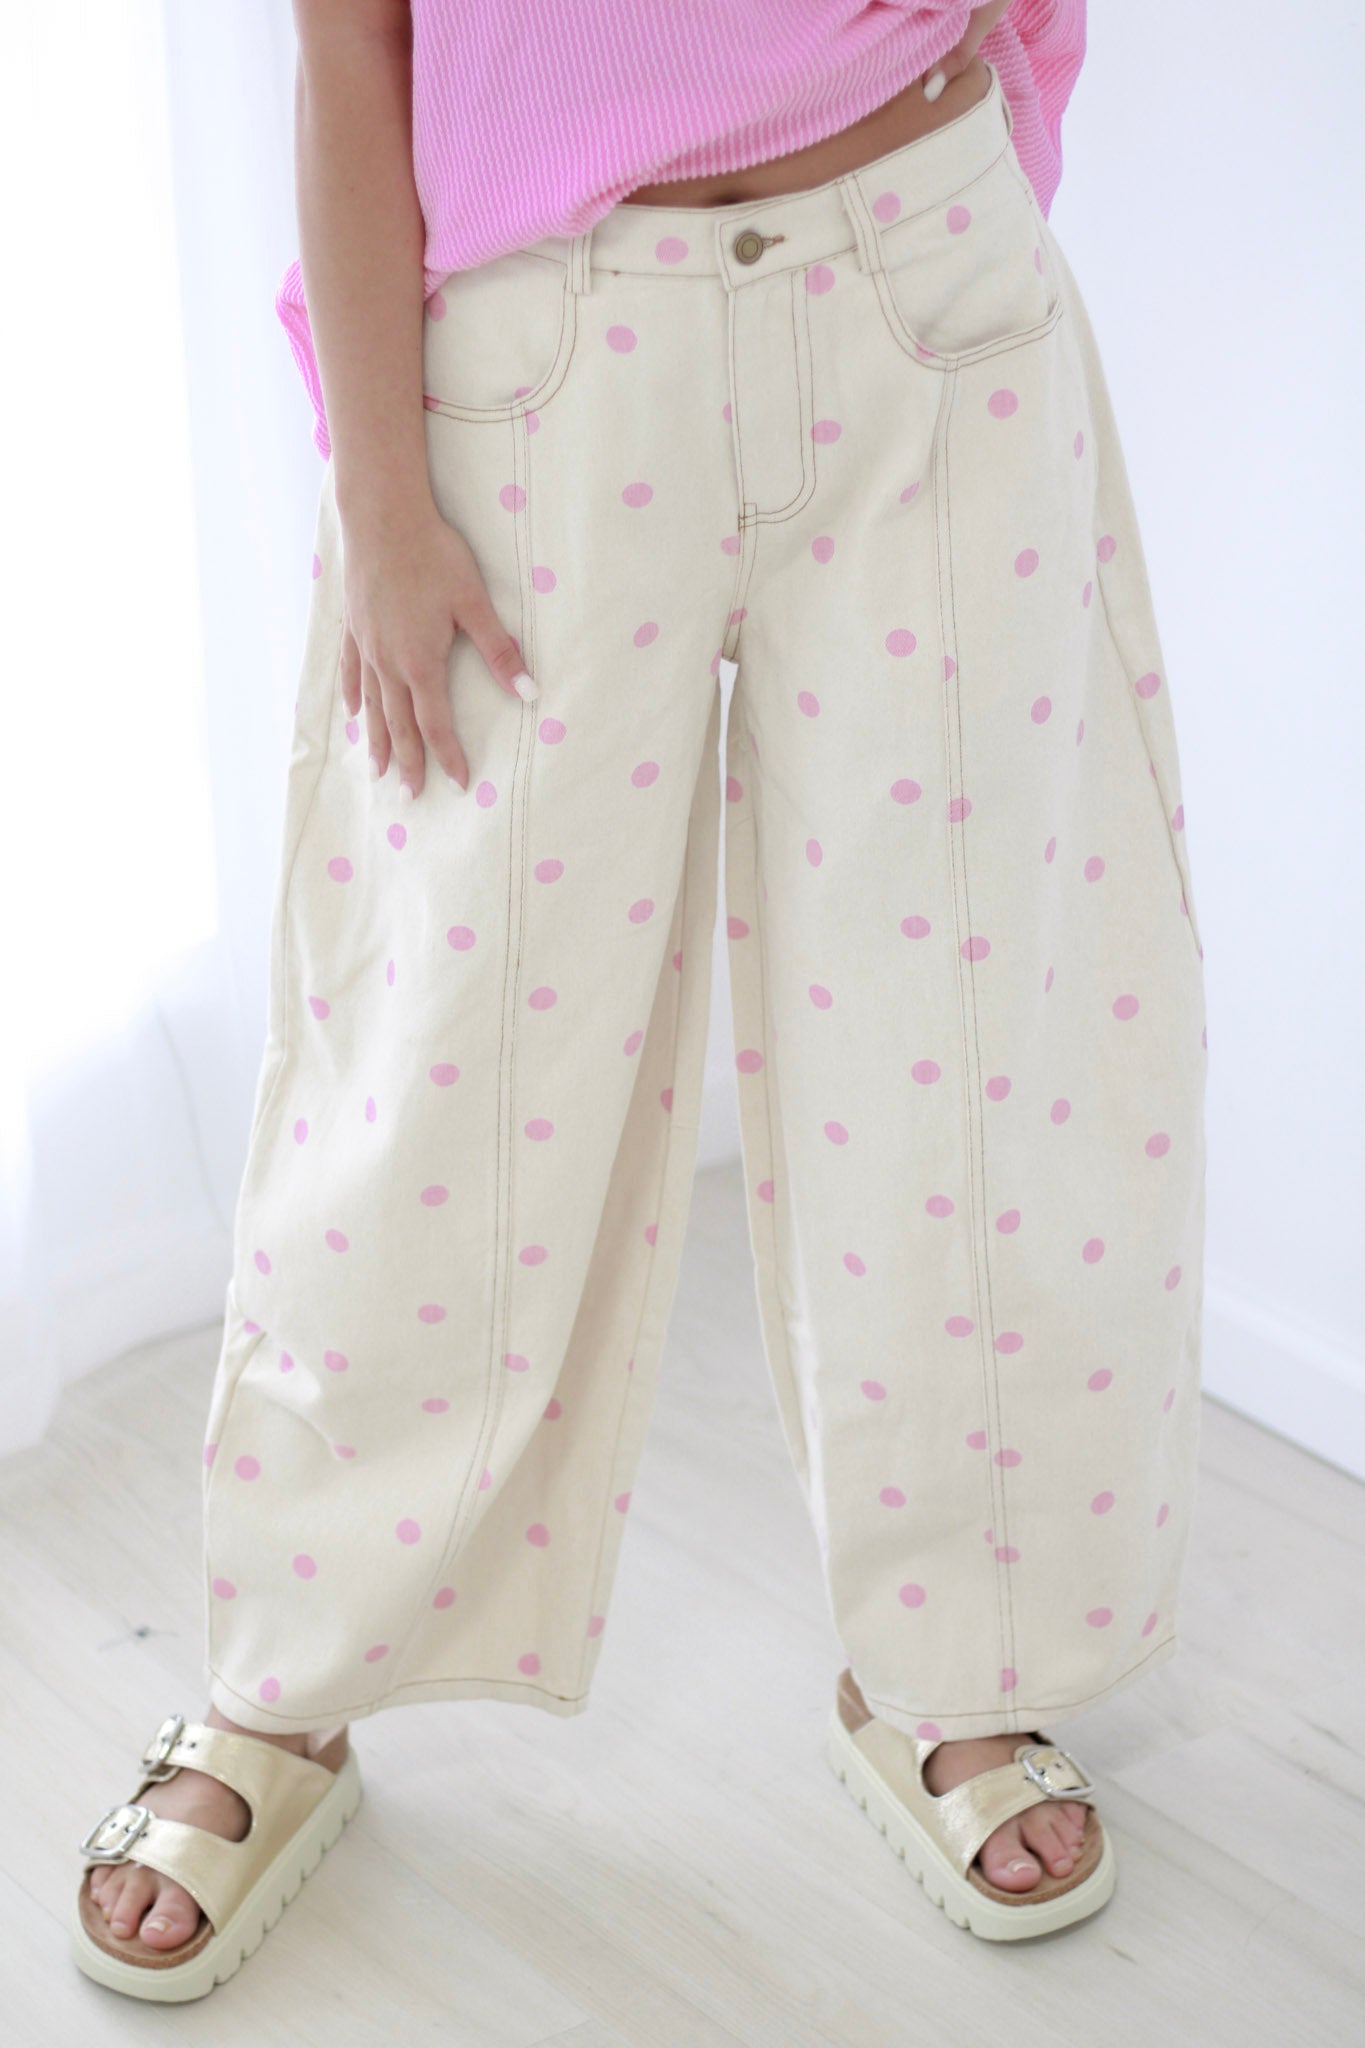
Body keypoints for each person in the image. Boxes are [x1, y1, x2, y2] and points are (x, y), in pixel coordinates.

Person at [72, 0, 1208, 1997]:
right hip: (540, 355)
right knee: (433, 1054)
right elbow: (348, 49)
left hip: (923, 286)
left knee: (956, 1043)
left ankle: (958, 1658)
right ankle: (283, 1680)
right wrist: (382, 497)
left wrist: (971, 190)